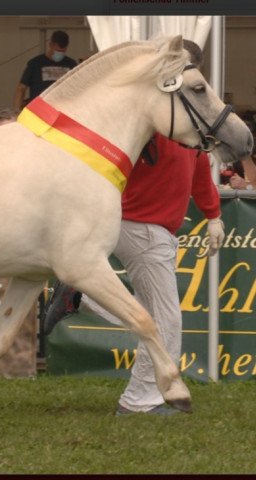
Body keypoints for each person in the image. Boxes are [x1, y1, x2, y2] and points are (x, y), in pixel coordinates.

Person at [44, 39, 225, 416]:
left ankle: (79, 298)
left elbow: (198, 176)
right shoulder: (156, 109)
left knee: (150, 314)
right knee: (165, 320)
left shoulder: (183, 116)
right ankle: (139, 401)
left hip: (137, 224)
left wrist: (213, 216)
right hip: (144, 227)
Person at [13, 30, 77, 111]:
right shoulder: (35, 63)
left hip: (64, 110)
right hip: (39, 110)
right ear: (50, 45)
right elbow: (21, 88)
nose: (60, 53)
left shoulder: (71, 64)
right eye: (57, 51)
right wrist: (16, 112)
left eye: (62, 51)